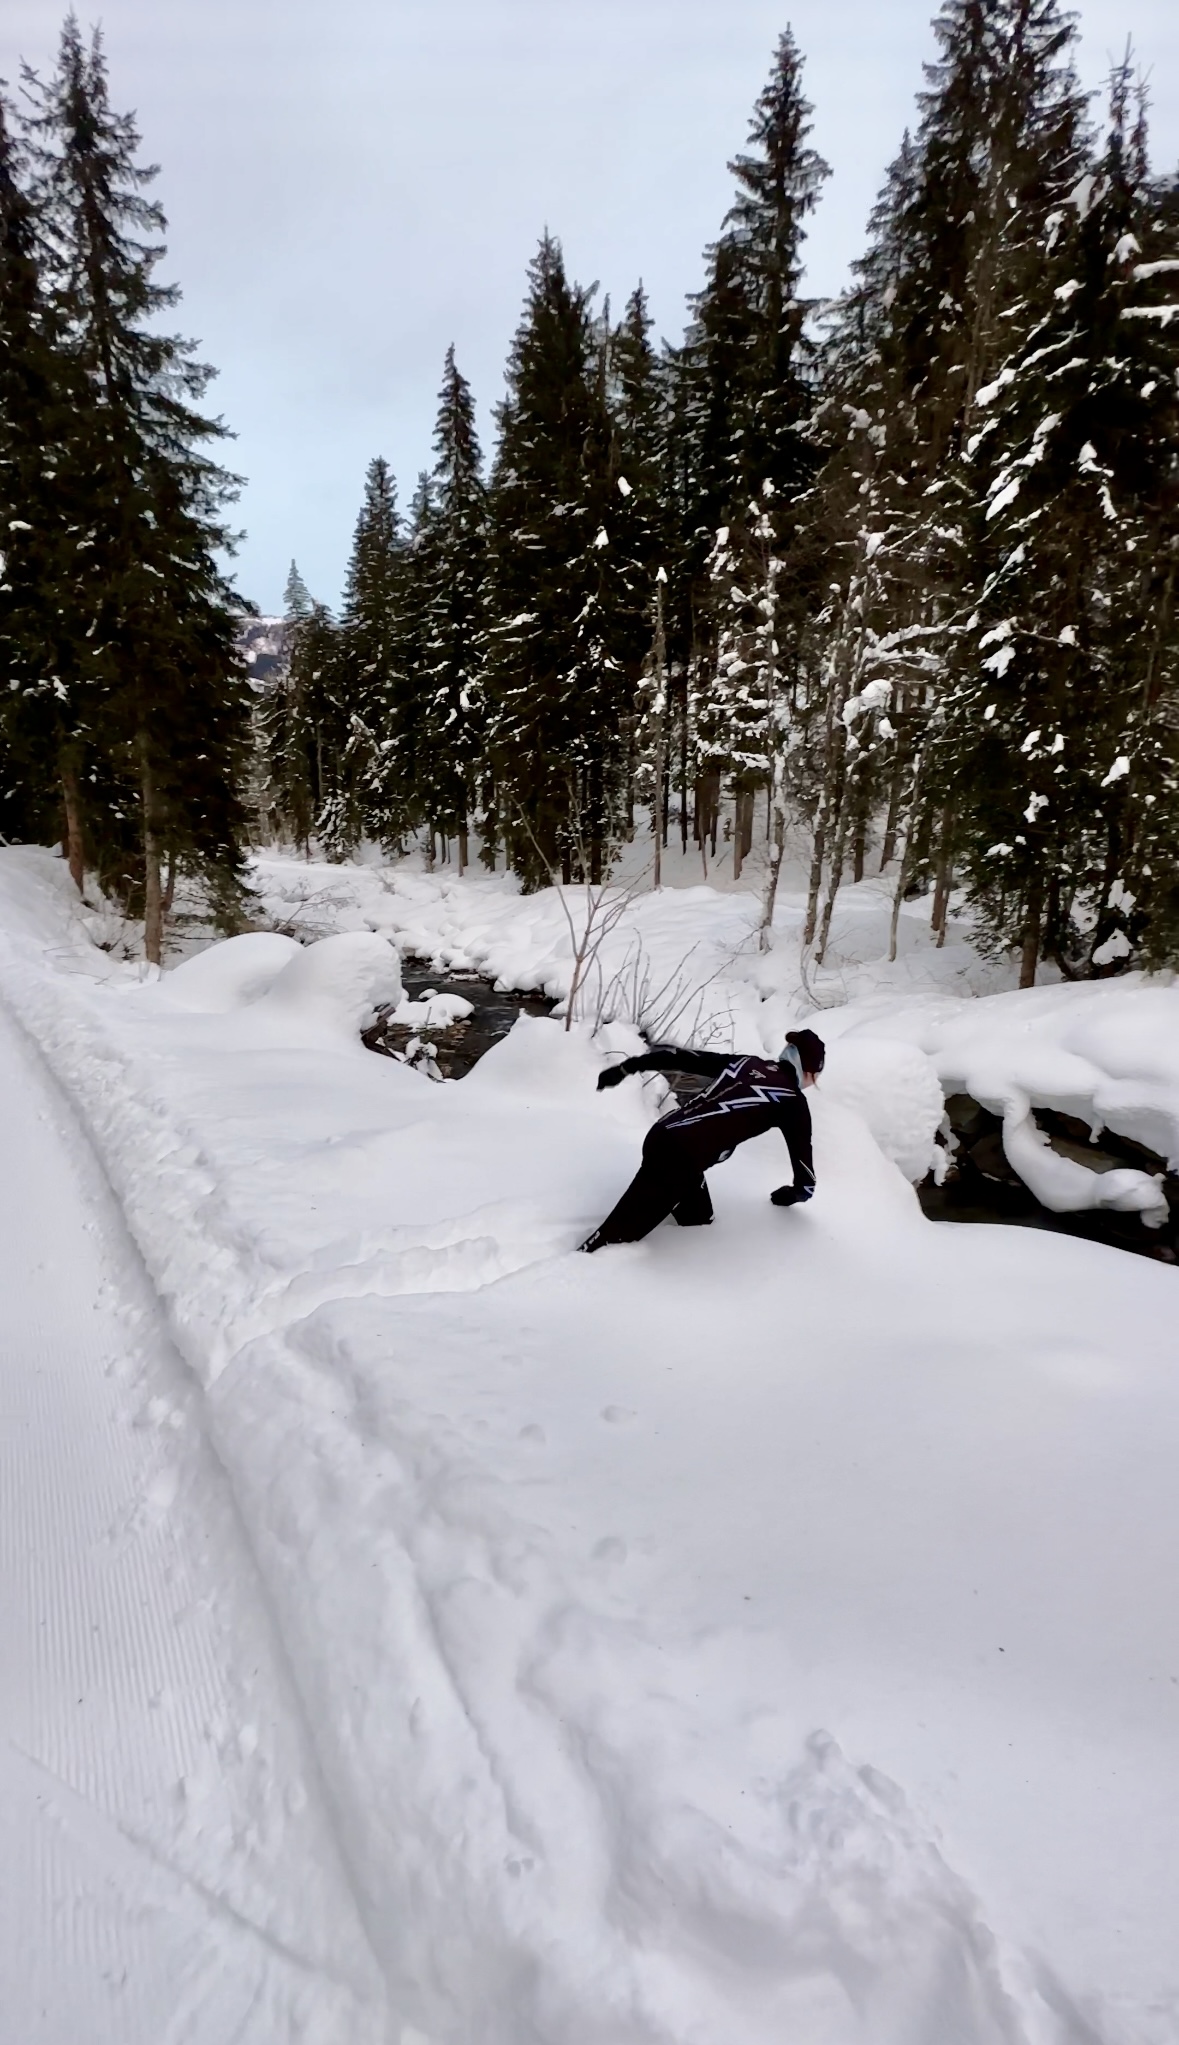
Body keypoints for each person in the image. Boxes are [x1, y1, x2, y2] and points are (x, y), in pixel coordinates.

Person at [580, 1028, 826, 1252]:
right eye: (814, 1076)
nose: (811, 1082)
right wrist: (793, 1195)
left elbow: (679, 1057)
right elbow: (806, 1179)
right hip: (679, 1159)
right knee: (610, 1243)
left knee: (698, 1221)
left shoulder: (747, 1063)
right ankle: (570, 1276)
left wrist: (626, 1068)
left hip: (665, 1136)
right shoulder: (792, 1102)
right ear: (807, 1070)